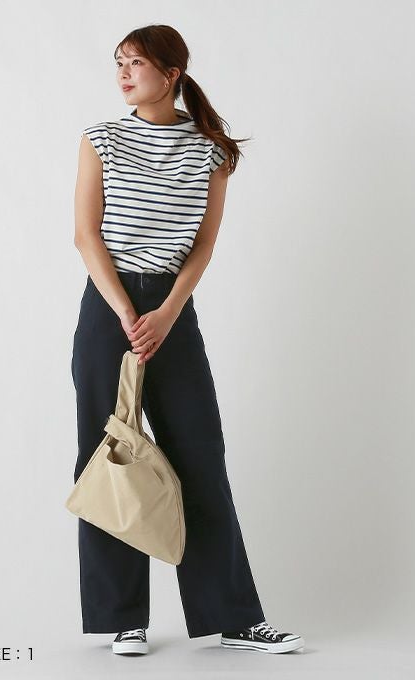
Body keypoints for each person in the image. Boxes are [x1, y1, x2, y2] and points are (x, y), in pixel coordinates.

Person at [71, 24, 305, 656]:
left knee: (200, 454)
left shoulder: (211, 151)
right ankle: (123, 618)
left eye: (135, 63)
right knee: (108, 455)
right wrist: (127, 311)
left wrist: (168, 311)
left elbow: (202, 243)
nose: (123, 74)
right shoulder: (102, 139)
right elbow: (86, 235)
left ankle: (233, 616)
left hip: (173, 312)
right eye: (118, 63)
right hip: (109, 308)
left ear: (170, 73)